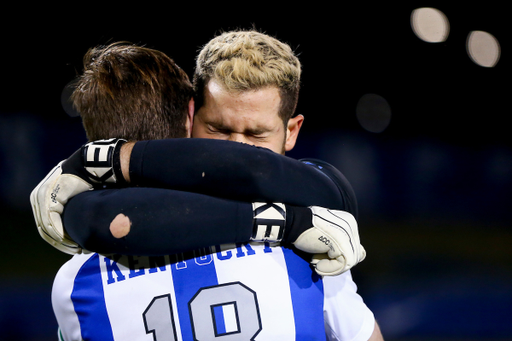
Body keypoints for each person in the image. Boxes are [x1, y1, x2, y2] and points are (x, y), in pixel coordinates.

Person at [32, 33, 381, 340]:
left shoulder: (74, 283)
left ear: (292, 132)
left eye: (256, 134)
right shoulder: (311, 240)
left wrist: (103, 162)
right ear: (190, 117)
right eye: (217, 130)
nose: (232, 151)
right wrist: (285, 224)